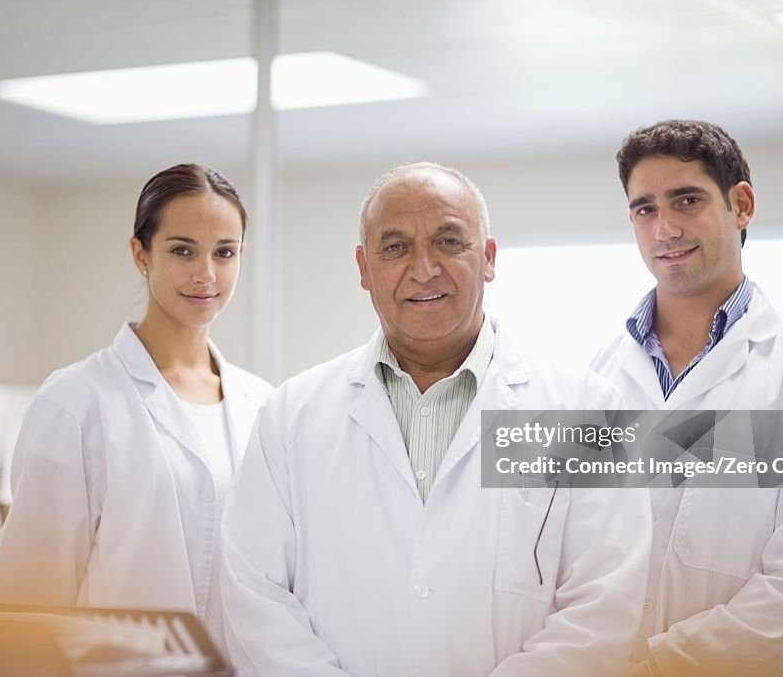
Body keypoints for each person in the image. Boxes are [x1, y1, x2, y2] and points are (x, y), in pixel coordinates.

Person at [220, 162, 651, 676]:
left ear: (488, 258)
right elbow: (256, 596)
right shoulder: (292, 418)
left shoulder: (585, 409)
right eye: (396, 247)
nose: (423, 268)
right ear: (363, 267)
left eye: (449, 242)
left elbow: (604, 605)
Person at [590, 120, 783, 676]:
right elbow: (567, 553)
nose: (664, 227)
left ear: (740, 205)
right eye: (644, 209)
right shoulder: (596, 376)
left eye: (686, 200)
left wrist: (656, 666)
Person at [0, 164, 273, 663]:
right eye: (182, 250)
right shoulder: (76, 401)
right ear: (141, 255)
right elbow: (26, 596)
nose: (206, 273)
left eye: (224, 253)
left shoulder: (262, 404)